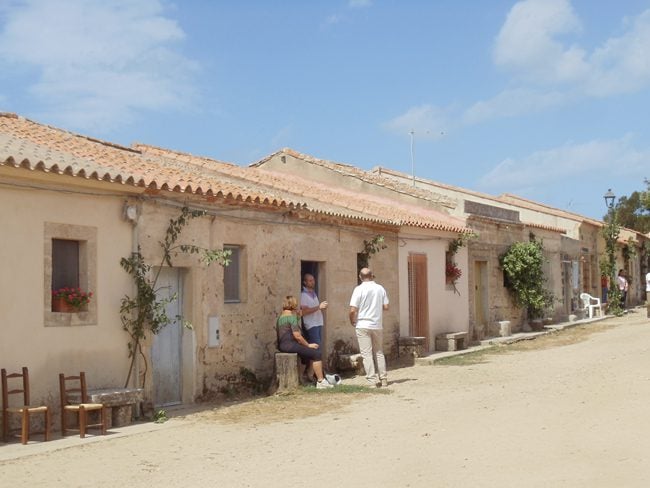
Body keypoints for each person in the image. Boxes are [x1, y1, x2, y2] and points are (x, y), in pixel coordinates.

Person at [276, 295, 332, 389]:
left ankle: (302, 378)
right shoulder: (291, 317)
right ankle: (321, 381)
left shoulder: (281, 317)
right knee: (316, 353)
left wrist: (300, 315)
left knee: (305, 355)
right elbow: (297, 336)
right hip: (290, 345)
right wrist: (308, 345)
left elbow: (295, 319)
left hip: (282, 345)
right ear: (293, 305)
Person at [349, 267, 389, 388]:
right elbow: (386, 306)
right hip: (376, 324)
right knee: (379, 352)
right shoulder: (380, 288)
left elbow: (352, 309)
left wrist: (352, 320)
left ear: (360, 277)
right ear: (372, 276)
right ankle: (384, 379)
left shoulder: (358, 289)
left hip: (362, 324)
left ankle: (372, 381)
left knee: (366, 353)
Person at [300, 273, 328, 381]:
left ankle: (310, 373)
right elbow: (304, 312)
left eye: (313, 280)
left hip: (317, 323)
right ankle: (311, 374)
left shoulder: (313, 293)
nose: (313, 282)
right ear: (305, 282)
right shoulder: (303, 295)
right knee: (316, 350)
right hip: (311, 325)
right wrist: (319, 307)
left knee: (317, 349)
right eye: (310, 280)